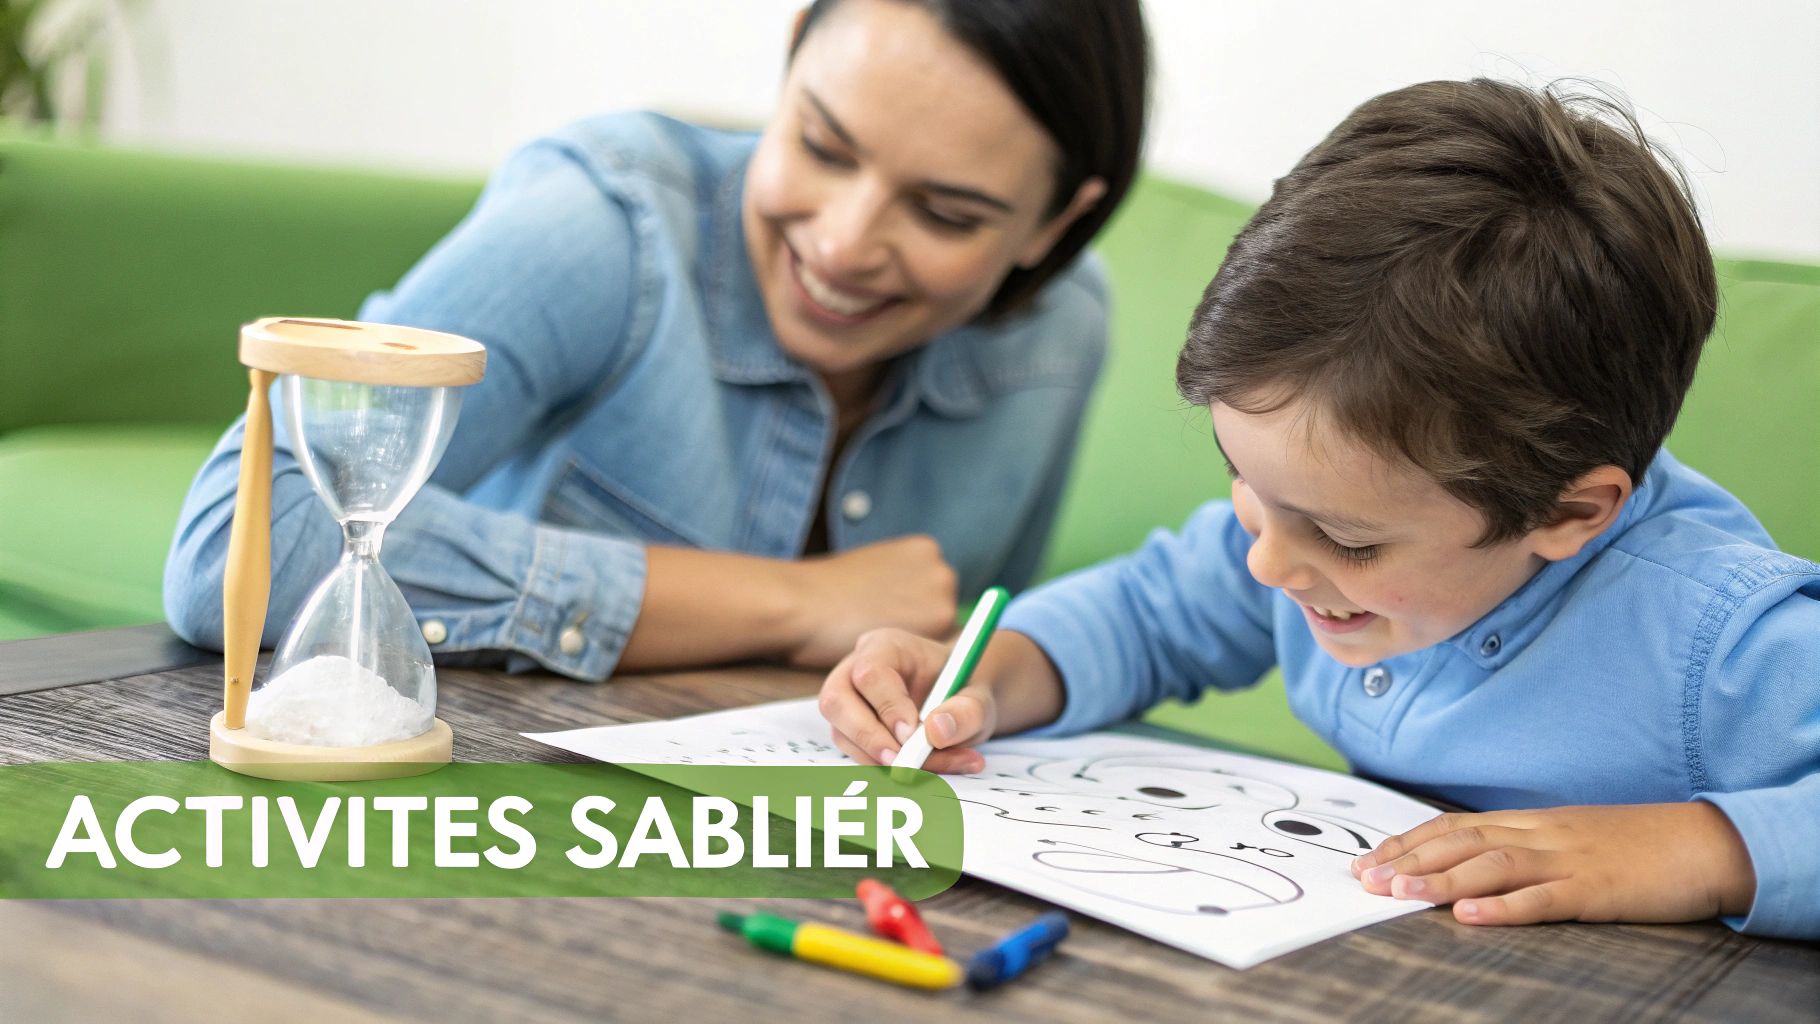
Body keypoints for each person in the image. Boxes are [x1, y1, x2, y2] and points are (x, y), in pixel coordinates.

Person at [816, 79, 1819, 939]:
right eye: (1243, 481)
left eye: (1347, 539)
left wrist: (1704, 849)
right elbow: (1147, 613)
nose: (1265, 562)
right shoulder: (1294, 534)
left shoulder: (1712, 634)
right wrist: (984, 679)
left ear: (1570, 513)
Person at [165, 0, 1149, 679]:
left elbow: (968, 662)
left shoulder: (1056, 337)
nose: (844, 245)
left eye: (944, 213)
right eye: (821, 146)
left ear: (1054, 224)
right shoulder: (603, 227)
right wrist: (795, 601)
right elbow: (235, 546)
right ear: (793, 53)